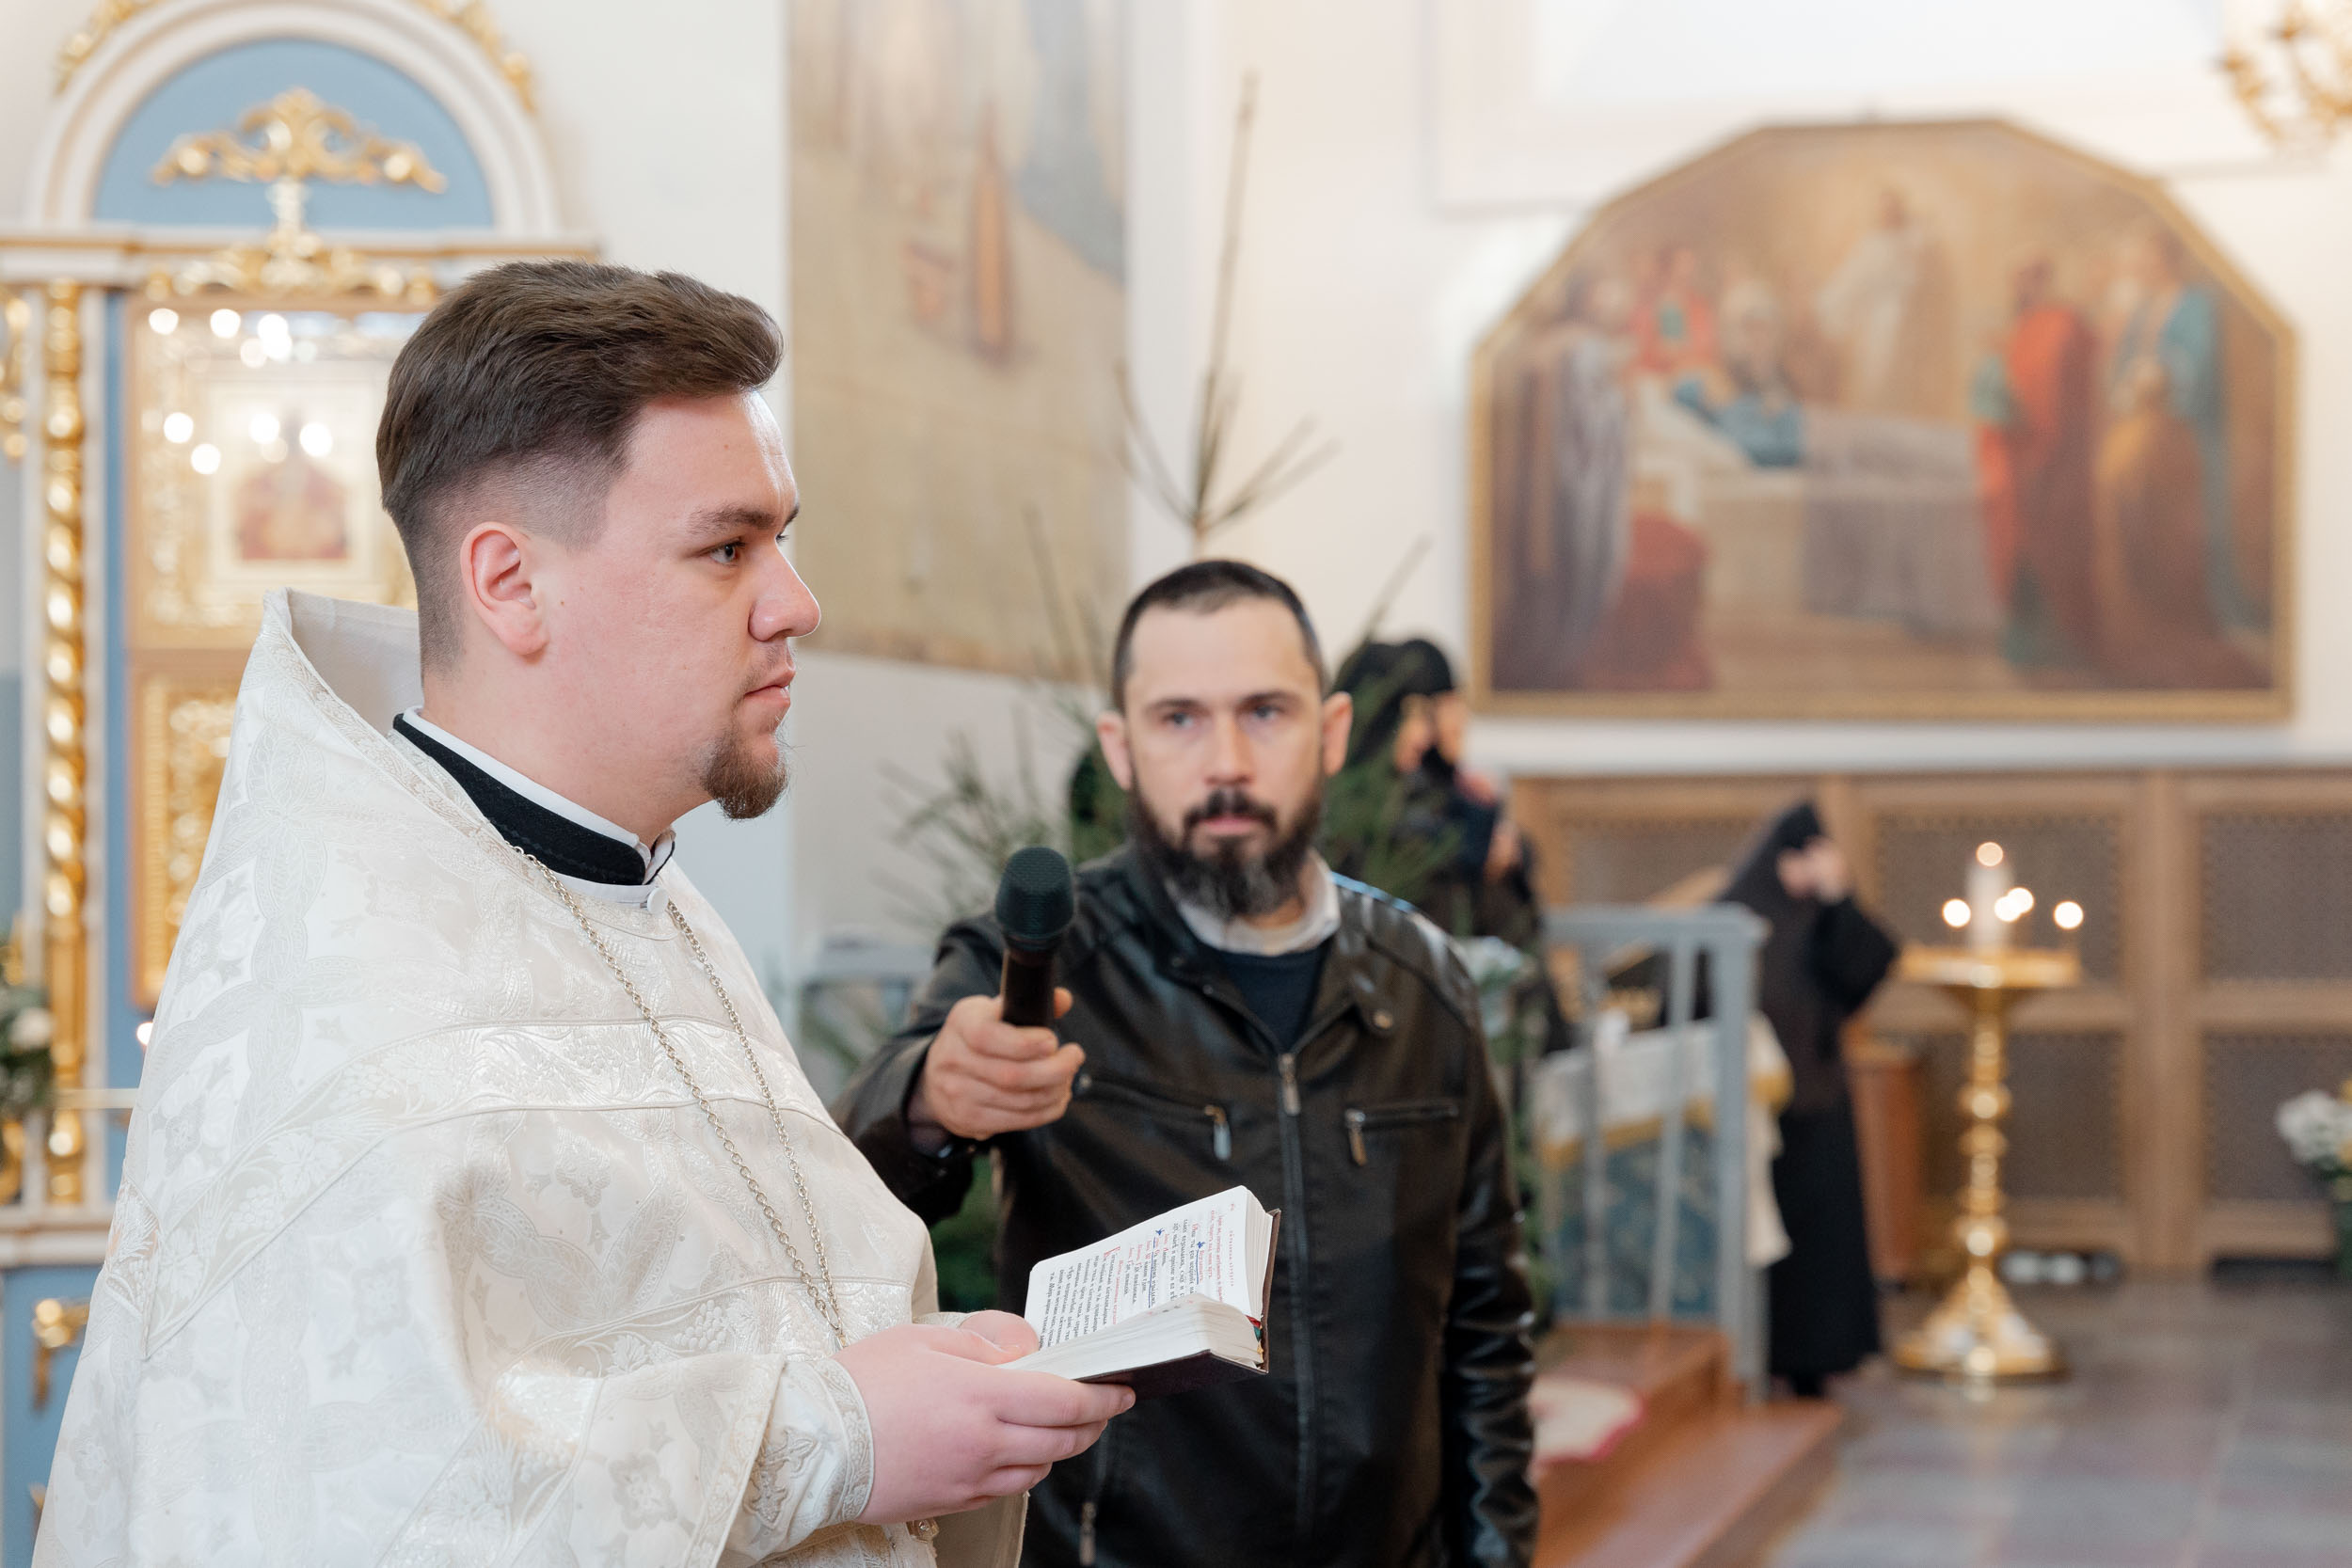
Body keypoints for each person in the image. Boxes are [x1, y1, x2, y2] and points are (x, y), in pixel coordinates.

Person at [35, 261, 1128, 1568]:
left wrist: (936, 1379)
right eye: (727, 547)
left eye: (781, 537)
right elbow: (359, 1508)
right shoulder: (341, 1003)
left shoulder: (642, 898)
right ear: (510, 582)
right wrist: (838, 1430)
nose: (796, 601)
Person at [835, 562, 1537, 1568]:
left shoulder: (1424, 983)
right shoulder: (1040, 961)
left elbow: (1486, 1327)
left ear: (1332, 731)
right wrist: (927, 1099)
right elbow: (849, 1191)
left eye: (1265, 712)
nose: (1227, 762)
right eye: (1179, 719)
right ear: (1120, 746)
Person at [1721, 802, 1897, 1398]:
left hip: (1816, 1105)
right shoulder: (1737, 913)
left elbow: (1867, 967)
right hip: (1752, 1110)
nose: (1809, 873)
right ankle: (1760, 1354)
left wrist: (1839, 897)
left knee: (1821, 1250)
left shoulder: (1820, 918)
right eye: (1801, 860)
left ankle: (1819, 1359)